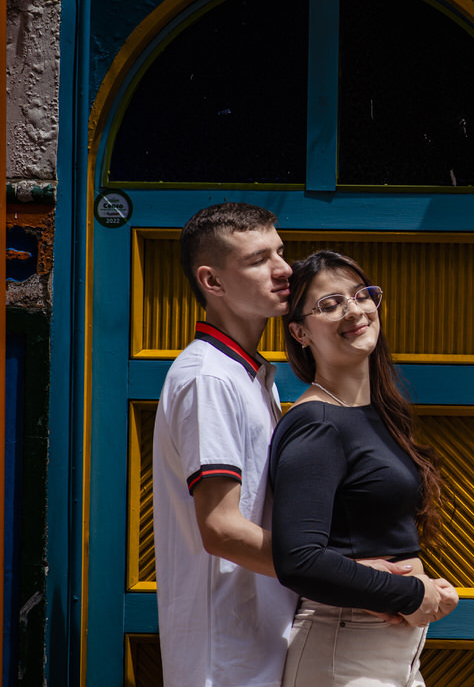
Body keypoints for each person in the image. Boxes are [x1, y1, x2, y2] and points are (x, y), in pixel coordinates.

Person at [270, 250, 458, 687]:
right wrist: (413, 593)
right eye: (329, 304)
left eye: (360, 295)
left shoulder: (378, 412)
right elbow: (299, 560)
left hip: (392, 656)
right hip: (343, 653)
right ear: (299, 331)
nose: (354, 310)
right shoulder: (317, 424)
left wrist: (427, 593)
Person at [152, 202, 299, 687]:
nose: (284, 270)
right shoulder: (209, 378)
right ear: (212, 282)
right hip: (225, 662)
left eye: (281, 252)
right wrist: (340, 572)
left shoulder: (253, 376)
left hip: (259, 644)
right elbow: (221, 528)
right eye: (258, 260)